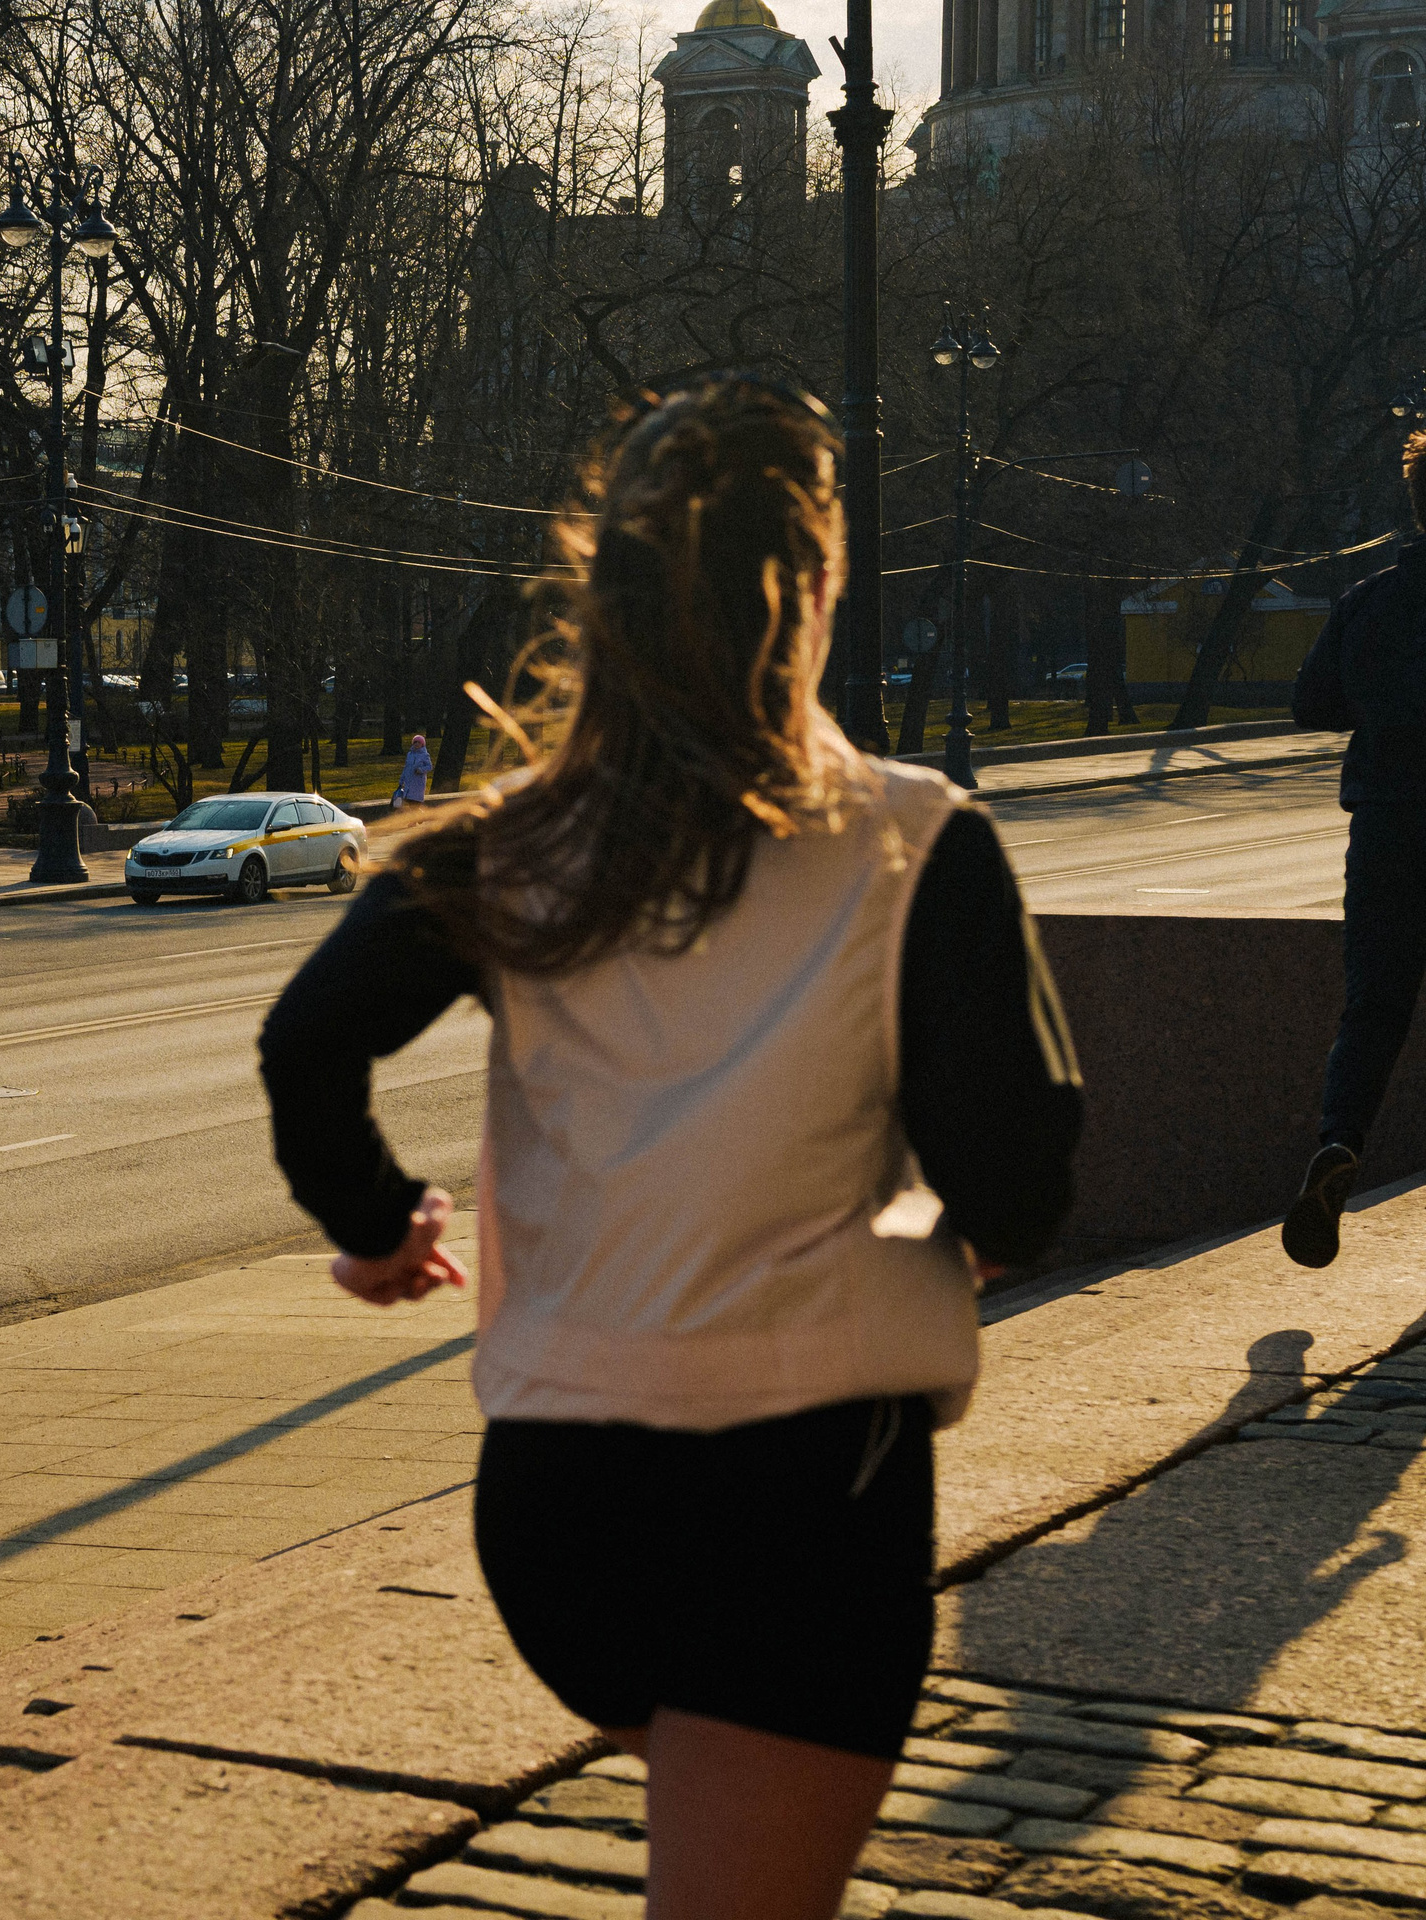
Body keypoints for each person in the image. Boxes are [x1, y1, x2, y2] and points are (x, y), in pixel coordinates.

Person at [256, 380, 1083, 1920]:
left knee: (710, 1803)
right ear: (822, 590)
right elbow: (1026, 1181)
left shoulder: (507, 838)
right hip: (795, 1493)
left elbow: (308, 1043)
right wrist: (948, 1217)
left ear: (607, 603)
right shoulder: (914, 838)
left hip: (556, 1505)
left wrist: (377, 1224)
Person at [1285, 441, 1426, 1267]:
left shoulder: (1370, 601)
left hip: (1386, 828)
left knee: (1372, 1008)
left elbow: (1310, 702)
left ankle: (1339, 1142)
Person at [393, 733, 432, 807]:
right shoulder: (410, 754)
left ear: (422, 744)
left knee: (415, 802)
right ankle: (416, 816)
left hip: (418, 782)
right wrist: (402, 780)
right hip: (409, 781)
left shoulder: (425, 755)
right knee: (408, 800)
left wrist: (420, 770)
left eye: (419, 742)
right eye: (415, 742)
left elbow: (429, 766)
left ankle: (420, 816)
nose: (417, 744)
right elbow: (406, 767)